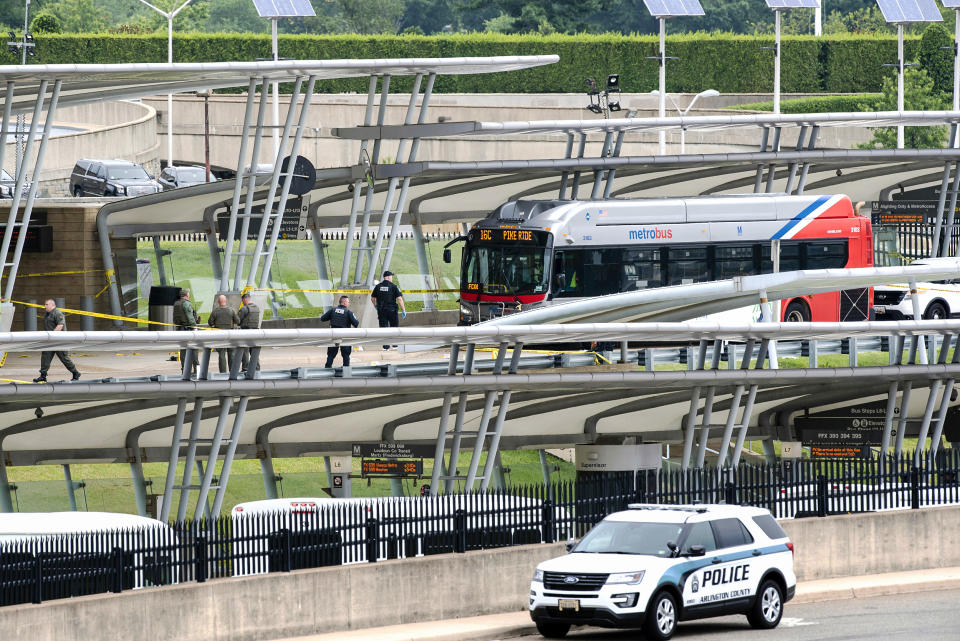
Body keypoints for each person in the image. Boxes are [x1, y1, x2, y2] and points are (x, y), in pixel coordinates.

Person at [34, 299, 81, 382]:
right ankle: (43, 376)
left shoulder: (57, 313)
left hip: (59, 341)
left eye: (46, 304)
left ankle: (75, 373)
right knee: (45, 357)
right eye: (45, 304)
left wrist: (52, 335)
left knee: (64, 358)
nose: (45, 306)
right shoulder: (47, 314)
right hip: (50, 341)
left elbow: (60, 325)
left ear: (53, 305)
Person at [320, 295, 360, 367]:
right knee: (346, 354)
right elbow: (356, 324)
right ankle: (346, 369)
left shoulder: (332, 310)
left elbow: (322, 318)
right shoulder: (348, 312)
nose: (348, 303)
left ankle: (327, 368)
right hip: (345, 336)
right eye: (348, 302)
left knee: (331, 354)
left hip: (334, 335)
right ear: (344, 302)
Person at [370, 270, 406, 350]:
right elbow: (399, 298)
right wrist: (403, 310)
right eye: (391, 276)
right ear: (388, 277)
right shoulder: (394, 286)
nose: (392, 278)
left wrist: (376, 306)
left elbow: (372, 298)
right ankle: (395, 345)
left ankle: (385, 347)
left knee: (383, 328)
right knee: (394, 327)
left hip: (381, 310)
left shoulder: (378, 286)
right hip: (392, 310)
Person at [208, 294, 240, 373]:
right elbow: (238, 321)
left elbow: (210, 322)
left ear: (218, 302)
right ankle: (232, 372)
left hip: (220, 335)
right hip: (230, 335)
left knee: (221, 354)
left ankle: (222, 372)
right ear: (225, 301)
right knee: (231, 353)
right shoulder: (231, 310)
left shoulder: (215, 311)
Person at [172, 288, 200, 377]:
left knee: (183, 351)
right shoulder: (186, 303)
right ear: (186, 295)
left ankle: (184, 370)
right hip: (188, 329)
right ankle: (197, 370)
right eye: (188, 293)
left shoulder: (176, 304)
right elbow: (190, 318)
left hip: (180, 329)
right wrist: (195, 327)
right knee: (194, 350)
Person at [237, 292, 261, 372]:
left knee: (245, 351)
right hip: (255, 332)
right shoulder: (257, 308)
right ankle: (257, 368)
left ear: (244, 299)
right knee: (254, 351)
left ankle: (245, 368)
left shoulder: (244, 309)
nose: (242, 303)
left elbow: (238, 320)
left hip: (246, 332)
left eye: (242, 301)